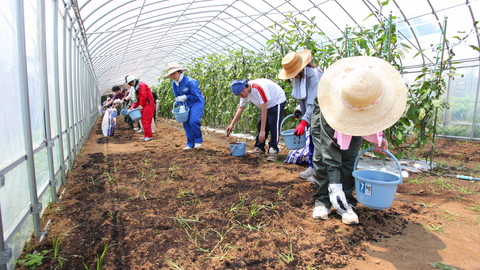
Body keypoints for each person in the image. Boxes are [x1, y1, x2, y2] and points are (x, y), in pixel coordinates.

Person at [310, 56, 407, 225]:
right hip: (329, 113)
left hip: (357, 110)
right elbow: (330, 150)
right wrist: (335, 186)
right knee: (322, 158)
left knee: (349, 158)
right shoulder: (331, 104)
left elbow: (376, 114)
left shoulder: (372, 87)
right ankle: (323, 200)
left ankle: (346, 202)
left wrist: (379, 137)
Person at [278, 49, 322, 182]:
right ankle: (312, 167)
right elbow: (302, 97)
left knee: (319, 142)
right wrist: (298, 110)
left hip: (321, 111)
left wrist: (304, 122)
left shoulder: (314, 76)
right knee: (313, 141)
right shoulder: (300, 76)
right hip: (311, 112)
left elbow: (313, 102)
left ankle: (320, 174)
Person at [226, 78, 286, 162]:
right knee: (260, 123)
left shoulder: (258, 88)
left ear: (244, 88)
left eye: (240, 94)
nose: (241, 97)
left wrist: (262, 131)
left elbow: (264, 109)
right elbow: (241, 108)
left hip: (276, 100)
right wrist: (232, 124)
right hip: (266, 105)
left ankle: (273, 149)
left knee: (274, 125)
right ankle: (259, 148)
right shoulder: (244, 92)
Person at [164, 62, 205, 150]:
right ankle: (190, 143)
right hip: (186, 104)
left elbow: (196, 96)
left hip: (196, 103)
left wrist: (186, 96)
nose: (173, 76)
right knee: (186, 123)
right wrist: (180, 106)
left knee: (193, 121)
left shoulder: (190, 82)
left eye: (174, 73)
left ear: (179, 72)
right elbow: (177, 97)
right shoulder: (174, 84)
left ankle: (198, 140)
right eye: (171, 74)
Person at [125, 75, 155, 141]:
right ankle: (146, 135)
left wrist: (141, 105)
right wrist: (132, 107)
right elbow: (137, 99)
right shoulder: (137, 87)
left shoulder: (141, 85)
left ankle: (149, 135)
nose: (131, 85)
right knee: (143, 120)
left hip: (148, 104)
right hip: (145, 105)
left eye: (130, 83)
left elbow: (143, 96)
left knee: (146, 120)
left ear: (134, 81)